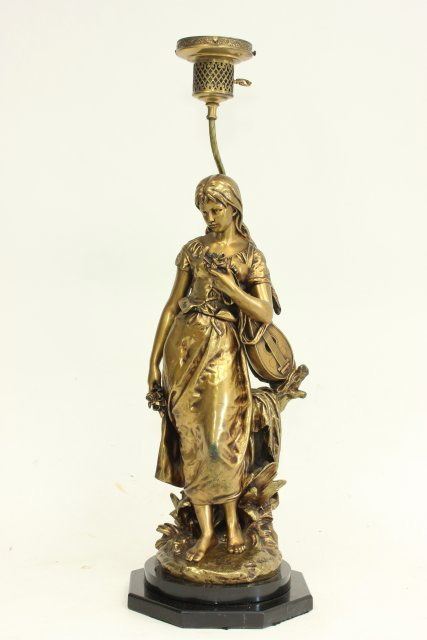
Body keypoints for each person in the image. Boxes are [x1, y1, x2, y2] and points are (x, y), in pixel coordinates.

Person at [148, 174, 274, 562]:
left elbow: (264, 312)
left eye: (216, 208)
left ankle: (233, 524)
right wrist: (153, 361)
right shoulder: (193, 250)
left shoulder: (251, 255)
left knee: (225, 437)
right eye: (204, 210)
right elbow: (172, 305)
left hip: (223, 350)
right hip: (184, 349)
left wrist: (232, 289)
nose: (209, 216)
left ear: (234, 207)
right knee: (194, 439)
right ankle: (204, 533)